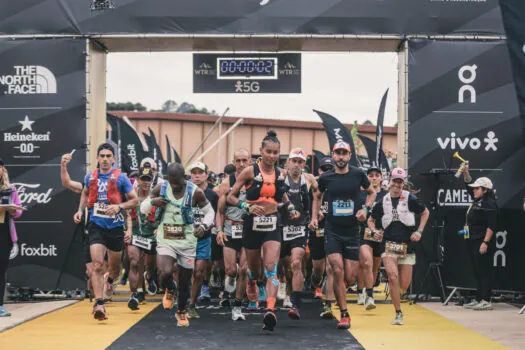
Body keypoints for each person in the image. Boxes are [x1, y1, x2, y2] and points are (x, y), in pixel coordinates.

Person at [226, 130, 297, 331]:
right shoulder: (250, 172)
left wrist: (290, 207)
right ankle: (251, 281)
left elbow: (283, 195)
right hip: (252, 225)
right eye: (269, 152)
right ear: (261, 151)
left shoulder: (281, 173)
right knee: (255, 271)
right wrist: (245, 207)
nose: (272, 156)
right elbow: (231, 197)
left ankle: (270, 310)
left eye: (276, 153)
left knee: (271, 267)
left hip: (272, 223)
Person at [309, 140, 376, 329]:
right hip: (333, 229)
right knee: (336, 269)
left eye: (343, 153)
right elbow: (317, 196)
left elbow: (372, 193)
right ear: (333, 154)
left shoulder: (358, 174)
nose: (340, 157)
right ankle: (345, 314)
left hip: (352, 230)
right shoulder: (326, 177)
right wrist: (315, 216)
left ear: (349, 156)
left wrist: (365, 209)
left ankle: (341, 293)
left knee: (351, 276)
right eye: (337, 153)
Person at [142, 163, 214, 327]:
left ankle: (181, 311)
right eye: (171, 182)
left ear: (184, 178)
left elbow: (210, 212)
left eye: (177, 183)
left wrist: (203, 226)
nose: (174, 186)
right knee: (165, 272)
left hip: (187, 240)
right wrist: (153, 202)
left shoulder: (195, 191)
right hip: (166, 237)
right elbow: (143, 209)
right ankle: (169, 289)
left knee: (184, 280)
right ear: (167, 179)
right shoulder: (161, 187)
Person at [74, 143, 139, 321]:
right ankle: (99, 303)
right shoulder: (90, 177)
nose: (104, 159)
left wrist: (118, 207)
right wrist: (80, 210)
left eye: (108, 156)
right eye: (101, 156)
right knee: (96, 265)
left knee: (114, 267)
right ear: (97, 158)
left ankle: (110, 281)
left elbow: (135, 201)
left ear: (113, 159)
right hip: (96, 225)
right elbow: (85, 194)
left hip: (115, 227)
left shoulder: (121, 178)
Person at [368, 168, 429, 325]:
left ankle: (399, 300)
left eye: (400, 182)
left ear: (403, 183)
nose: (397, 184)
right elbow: (371, 220)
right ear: (389, 181)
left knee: (404, 284)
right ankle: (398, 312)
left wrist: (419, 231)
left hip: (407, 244)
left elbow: (425, 213)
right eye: (394, 181)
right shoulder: (382, 201)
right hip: (388, 244)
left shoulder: (411, 199)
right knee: (392, 276)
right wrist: (374, 231)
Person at [279, 148, 319, 320]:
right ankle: (283, 285)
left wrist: (315, 216)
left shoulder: (308, 178)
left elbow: (318, 194)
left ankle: (295, 304)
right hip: (280, 227)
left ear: (304, 164)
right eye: (294, 161)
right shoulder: (280, 177)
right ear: (288, 162)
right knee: (283, 266)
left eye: (300, 162)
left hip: (300, 228)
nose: (296, 165)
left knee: (296, 263)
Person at [216, 148, 252, 320]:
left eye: (244, 160)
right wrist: (220, 230)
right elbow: (220, 211)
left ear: (250, 162)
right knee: (231, 270)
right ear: (233, 162)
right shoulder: (226, 183)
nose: (241, 164)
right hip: (230, 230)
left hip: (248, 231)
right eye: (238, 161)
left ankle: (237, 306)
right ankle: (229, 282)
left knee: (244, 269)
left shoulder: (255, 182)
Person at [461, 166, 498, 311]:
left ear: (485, 190)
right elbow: (468, 186)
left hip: (482, 241)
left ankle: (486, 299)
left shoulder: (489, 204)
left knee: (484, 271)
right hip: (473, 240)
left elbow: (492, 225)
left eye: (477, 188)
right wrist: (466, 173)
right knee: (477, 270)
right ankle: (478, 298)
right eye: (475, 188)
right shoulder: (478, 200)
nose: (474, 190)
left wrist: (485, 242)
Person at [186, 161, 219, 319]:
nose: (197, 175)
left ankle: (192, 304)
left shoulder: (212, 195)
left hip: (204, 238)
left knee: (199, 272)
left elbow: (217, 214)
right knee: (185, 272)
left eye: (200, 172)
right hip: (185, 239)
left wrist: (211, 228)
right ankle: (182, 297)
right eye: (194, 172)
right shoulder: (185, 192)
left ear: (206, 174)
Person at [127, 166, 159, 311]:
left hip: (151, 236)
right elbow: (126, 213)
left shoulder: (156, 196)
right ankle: (134, 294)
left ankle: (150, 277)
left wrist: (159, 227)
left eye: (149, 179)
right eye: (143, 179)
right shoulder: (131, 195)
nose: (146, 182)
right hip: (135, 234)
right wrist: (127, 230)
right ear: (138, 180)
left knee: (150, 266)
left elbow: (163, 214)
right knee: (134, 262)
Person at [357, 165, 388, 309]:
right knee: (366, 263)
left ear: (381, 178)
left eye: (377, 175)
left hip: (381, 234)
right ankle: (365, 294)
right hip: (364, 233)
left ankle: (368, 290)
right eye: (371, 175)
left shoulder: (386, 195)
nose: (374, 178)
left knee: (375, 266)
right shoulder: (363, 194)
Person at [309, 157, 336, 319]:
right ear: (319, 172)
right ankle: (316, 281)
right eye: (323, 169)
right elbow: (305, 206)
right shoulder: (313, 188)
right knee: (318, 268)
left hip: (333, 229)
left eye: (329, 169)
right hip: (317, 231)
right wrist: (312, 218)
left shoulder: (338, 186)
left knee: (331, 267)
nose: (326, 172)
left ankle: (329, 304)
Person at [0, 159, 24, 317]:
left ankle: (0, 305)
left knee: (1, 270)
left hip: (4, 233)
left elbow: (19, 211)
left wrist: (13, 210)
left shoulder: (10, 189)